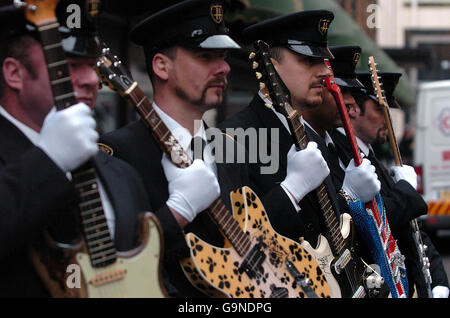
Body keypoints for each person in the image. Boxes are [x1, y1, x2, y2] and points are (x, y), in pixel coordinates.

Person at [0, 2, 154, 297]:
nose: (93, 80)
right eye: (70, 66)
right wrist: (48, 162)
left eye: (92, 65)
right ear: (14, 73)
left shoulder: (121, 173)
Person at [219, 13, 380, 252]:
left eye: (323, 61)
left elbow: (329, 234)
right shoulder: (235, 136)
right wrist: (291, 190)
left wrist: (349, 199)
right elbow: (233, 240)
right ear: (271, 66)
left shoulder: (312, 137)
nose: (325, 72)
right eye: (308, 61)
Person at [328, 65, 449, 298]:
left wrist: (438, 281)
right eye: (379, 109)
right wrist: (405, 191)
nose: (387, 119)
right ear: (354, 111)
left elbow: (414, 231)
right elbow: (373, 223)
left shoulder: (370, 154)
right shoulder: (339, 152)